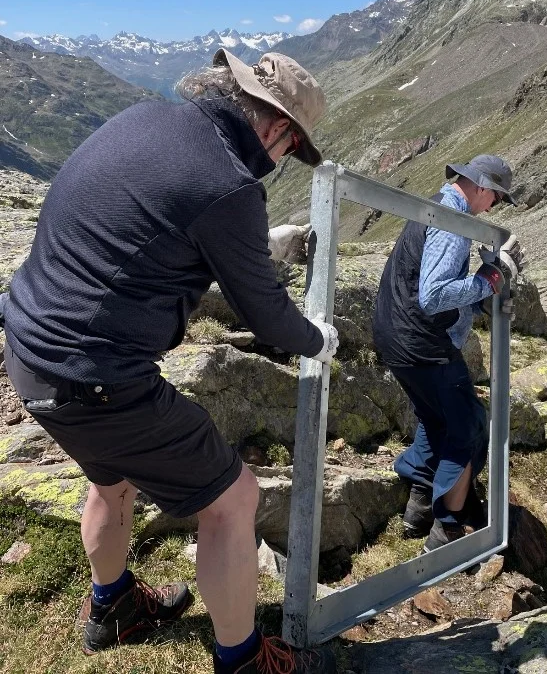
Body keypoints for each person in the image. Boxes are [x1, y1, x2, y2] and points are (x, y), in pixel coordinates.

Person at [1, 48, 339, 674]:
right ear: (276, 128)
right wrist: (319, 340)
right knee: (233, 498)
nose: (282, 161)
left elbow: (153, 221)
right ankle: (242, 660)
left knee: (111, 479)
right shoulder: (230, 184)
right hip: (97, 378)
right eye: (292, 148)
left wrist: (252, 246)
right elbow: (267, 316)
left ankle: (113, 607)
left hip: (28, 351)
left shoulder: (145, 118)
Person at [372, 155, 524, 552]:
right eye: (496, 198)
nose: (492, 207)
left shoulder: (436, 209)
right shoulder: (451, 221)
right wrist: (493, 277)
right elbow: (434, 295)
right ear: (483, 187)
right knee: (469, 424)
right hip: (424, 343)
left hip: (396, 336)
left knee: (436, 420)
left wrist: (477, 299)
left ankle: (419, 506)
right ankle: (446, 531)